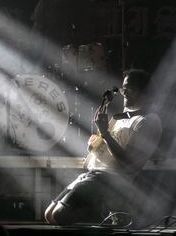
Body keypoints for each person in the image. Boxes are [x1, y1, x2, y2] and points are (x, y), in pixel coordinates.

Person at [44, 69, 162, 225]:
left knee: (60, 216)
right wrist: (97, 142)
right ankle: (106, 214)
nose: (124, 92)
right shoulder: (120, 118)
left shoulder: (148, 121)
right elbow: (106, 147)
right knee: (49, 215)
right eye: (123, 88)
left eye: (129, 88)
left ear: (143, 92)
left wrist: (106, 133)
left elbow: (128, 162)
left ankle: (105, 211)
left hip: (109, 179)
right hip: (93, 174)